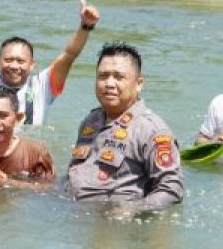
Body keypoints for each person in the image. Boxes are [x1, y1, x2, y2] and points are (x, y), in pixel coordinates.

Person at [66, 42, 184, 209]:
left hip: (111, 225)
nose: (109, 84)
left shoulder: (151, 130)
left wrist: (132, 210)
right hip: (72, 211)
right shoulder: (91, 120)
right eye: (103, 76)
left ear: (139, 84)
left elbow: (173, 189)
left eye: (119, 77)